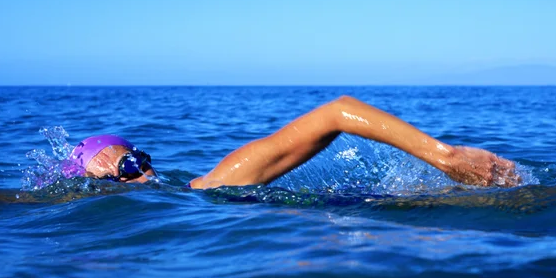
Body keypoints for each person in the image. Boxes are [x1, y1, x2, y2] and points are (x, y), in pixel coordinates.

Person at [69, 96, 520, 189]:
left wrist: (445, 156)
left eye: (140, 159)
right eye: (127, 168)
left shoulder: (211, 186)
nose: (143, 172)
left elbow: (334, 112)